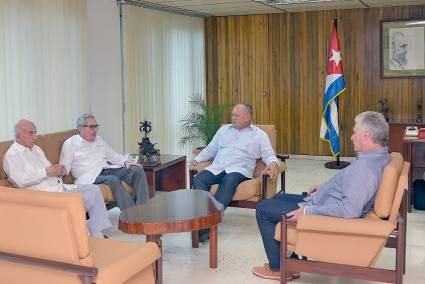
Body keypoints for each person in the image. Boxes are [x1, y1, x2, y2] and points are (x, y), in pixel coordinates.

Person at [252, 111, 391, 281]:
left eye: (355, 132)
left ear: (366, 135)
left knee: (263, 209)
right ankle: (291, 262)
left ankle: (279, 268)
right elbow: (353, 188)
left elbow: (349, 210)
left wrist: (307, 211)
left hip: (323, 212)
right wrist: (326, 188)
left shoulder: (365, 170)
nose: (352, 137)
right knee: (279, 199)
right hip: (324, 201)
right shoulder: (379, 157)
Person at [3, 119, 111, 238]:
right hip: (44, 195)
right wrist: (46, 171)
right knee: (75, 203)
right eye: (31, 133)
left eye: (35, 133)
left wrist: (58, 170)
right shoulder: (12, 156)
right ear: (19, 134)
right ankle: (84, 235)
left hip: (60, 188)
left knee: (93, 191)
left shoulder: (36, 149)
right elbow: (19, 180)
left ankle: (97, 233)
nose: (35, 137)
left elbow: (49, 169)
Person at [192, 103, 279, 242]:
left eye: (236, 115)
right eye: (232, 114)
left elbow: (269, 155)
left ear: (247, 117)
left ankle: (209, 224)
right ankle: (204, 220)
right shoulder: (224, 130)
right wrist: (197, 160)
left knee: (228, 181)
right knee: (199, 179)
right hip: (218, 167)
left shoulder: (259, 135)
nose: (232, 117)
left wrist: (273, 164)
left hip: (239, 170)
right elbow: (211, 149)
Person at [60, 113, 149, 211]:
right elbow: (64, 166)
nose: (95, 130)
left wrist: (125, 162)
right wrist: (60, 172)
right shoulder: (70, 144)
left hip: (106, 169)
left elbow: (112, 155)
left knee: (137, 170)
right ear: (81, 128)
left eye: (96, 126)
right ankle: (131, 214)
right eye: (92, 127)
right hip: (90, 175)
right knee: (113, 180)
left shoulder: (98, 139)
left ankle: (142, 210)